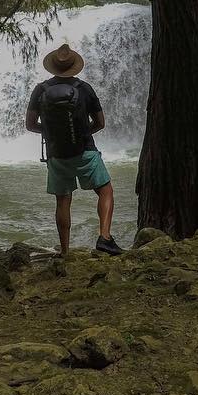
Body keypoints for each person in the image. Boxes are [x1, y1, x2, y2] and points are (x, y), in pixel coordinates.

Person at [26, 44, 124, 257]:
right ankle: (105, 238)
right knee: (105, 190)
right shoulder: (84, 88)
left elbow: (30, 124)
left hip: (56, 153)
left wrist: (50, 132)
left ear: (53, 67)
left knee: (63, 200)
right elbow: (100, 122)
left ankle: (64, 251)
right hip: (85, 150)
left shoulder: (40, 90)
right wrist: (84, 133)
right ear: (74, 67)